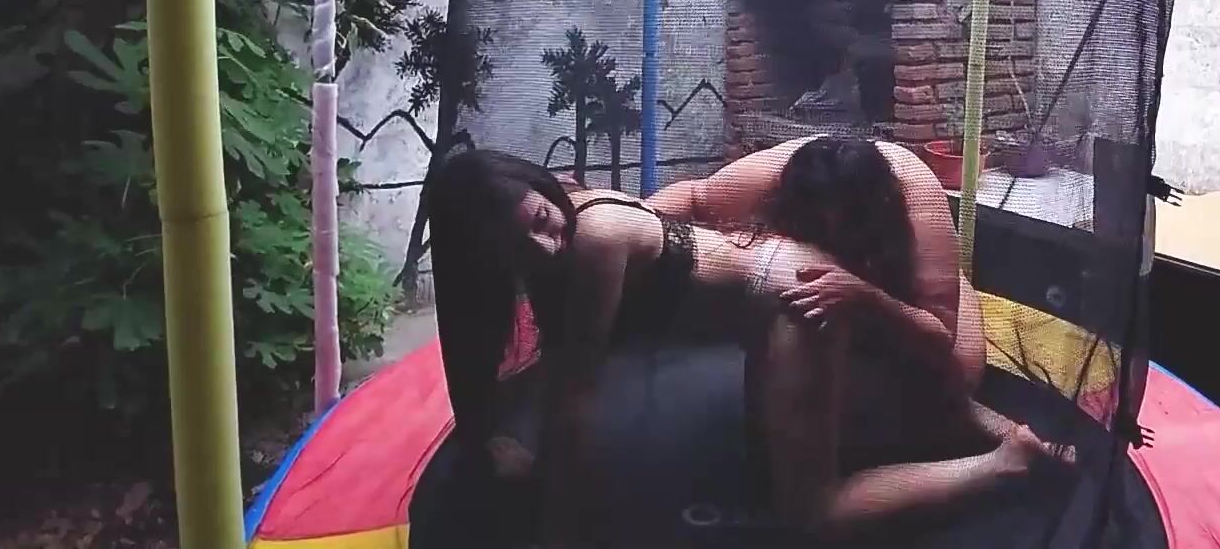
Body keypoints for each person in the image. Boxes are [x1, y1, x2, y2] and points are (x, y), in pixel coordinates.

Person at [423, 143, 1055, 545]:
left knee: (813, 510)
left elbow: (574, 395)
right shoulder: (573, 214)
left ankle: (1008, 462)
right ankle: (992, 428)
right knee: (814, 431)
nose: (546, 247)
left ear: (546, 186)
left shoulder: (594, 237)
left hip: (795, 305)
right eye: (518, 248)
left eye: (541, 221)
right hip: (788, 287)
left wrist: (555, 533)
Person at [646, 134, 1002, 456]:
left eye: (842, 226)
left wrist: (867, 297)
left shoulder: (917, 198)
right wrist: (633, 233)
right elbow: (690, 197)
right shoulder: (771, 174)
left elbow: (940, 336)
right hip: (839, 300)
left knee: (957, 382)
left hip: (911, 305)